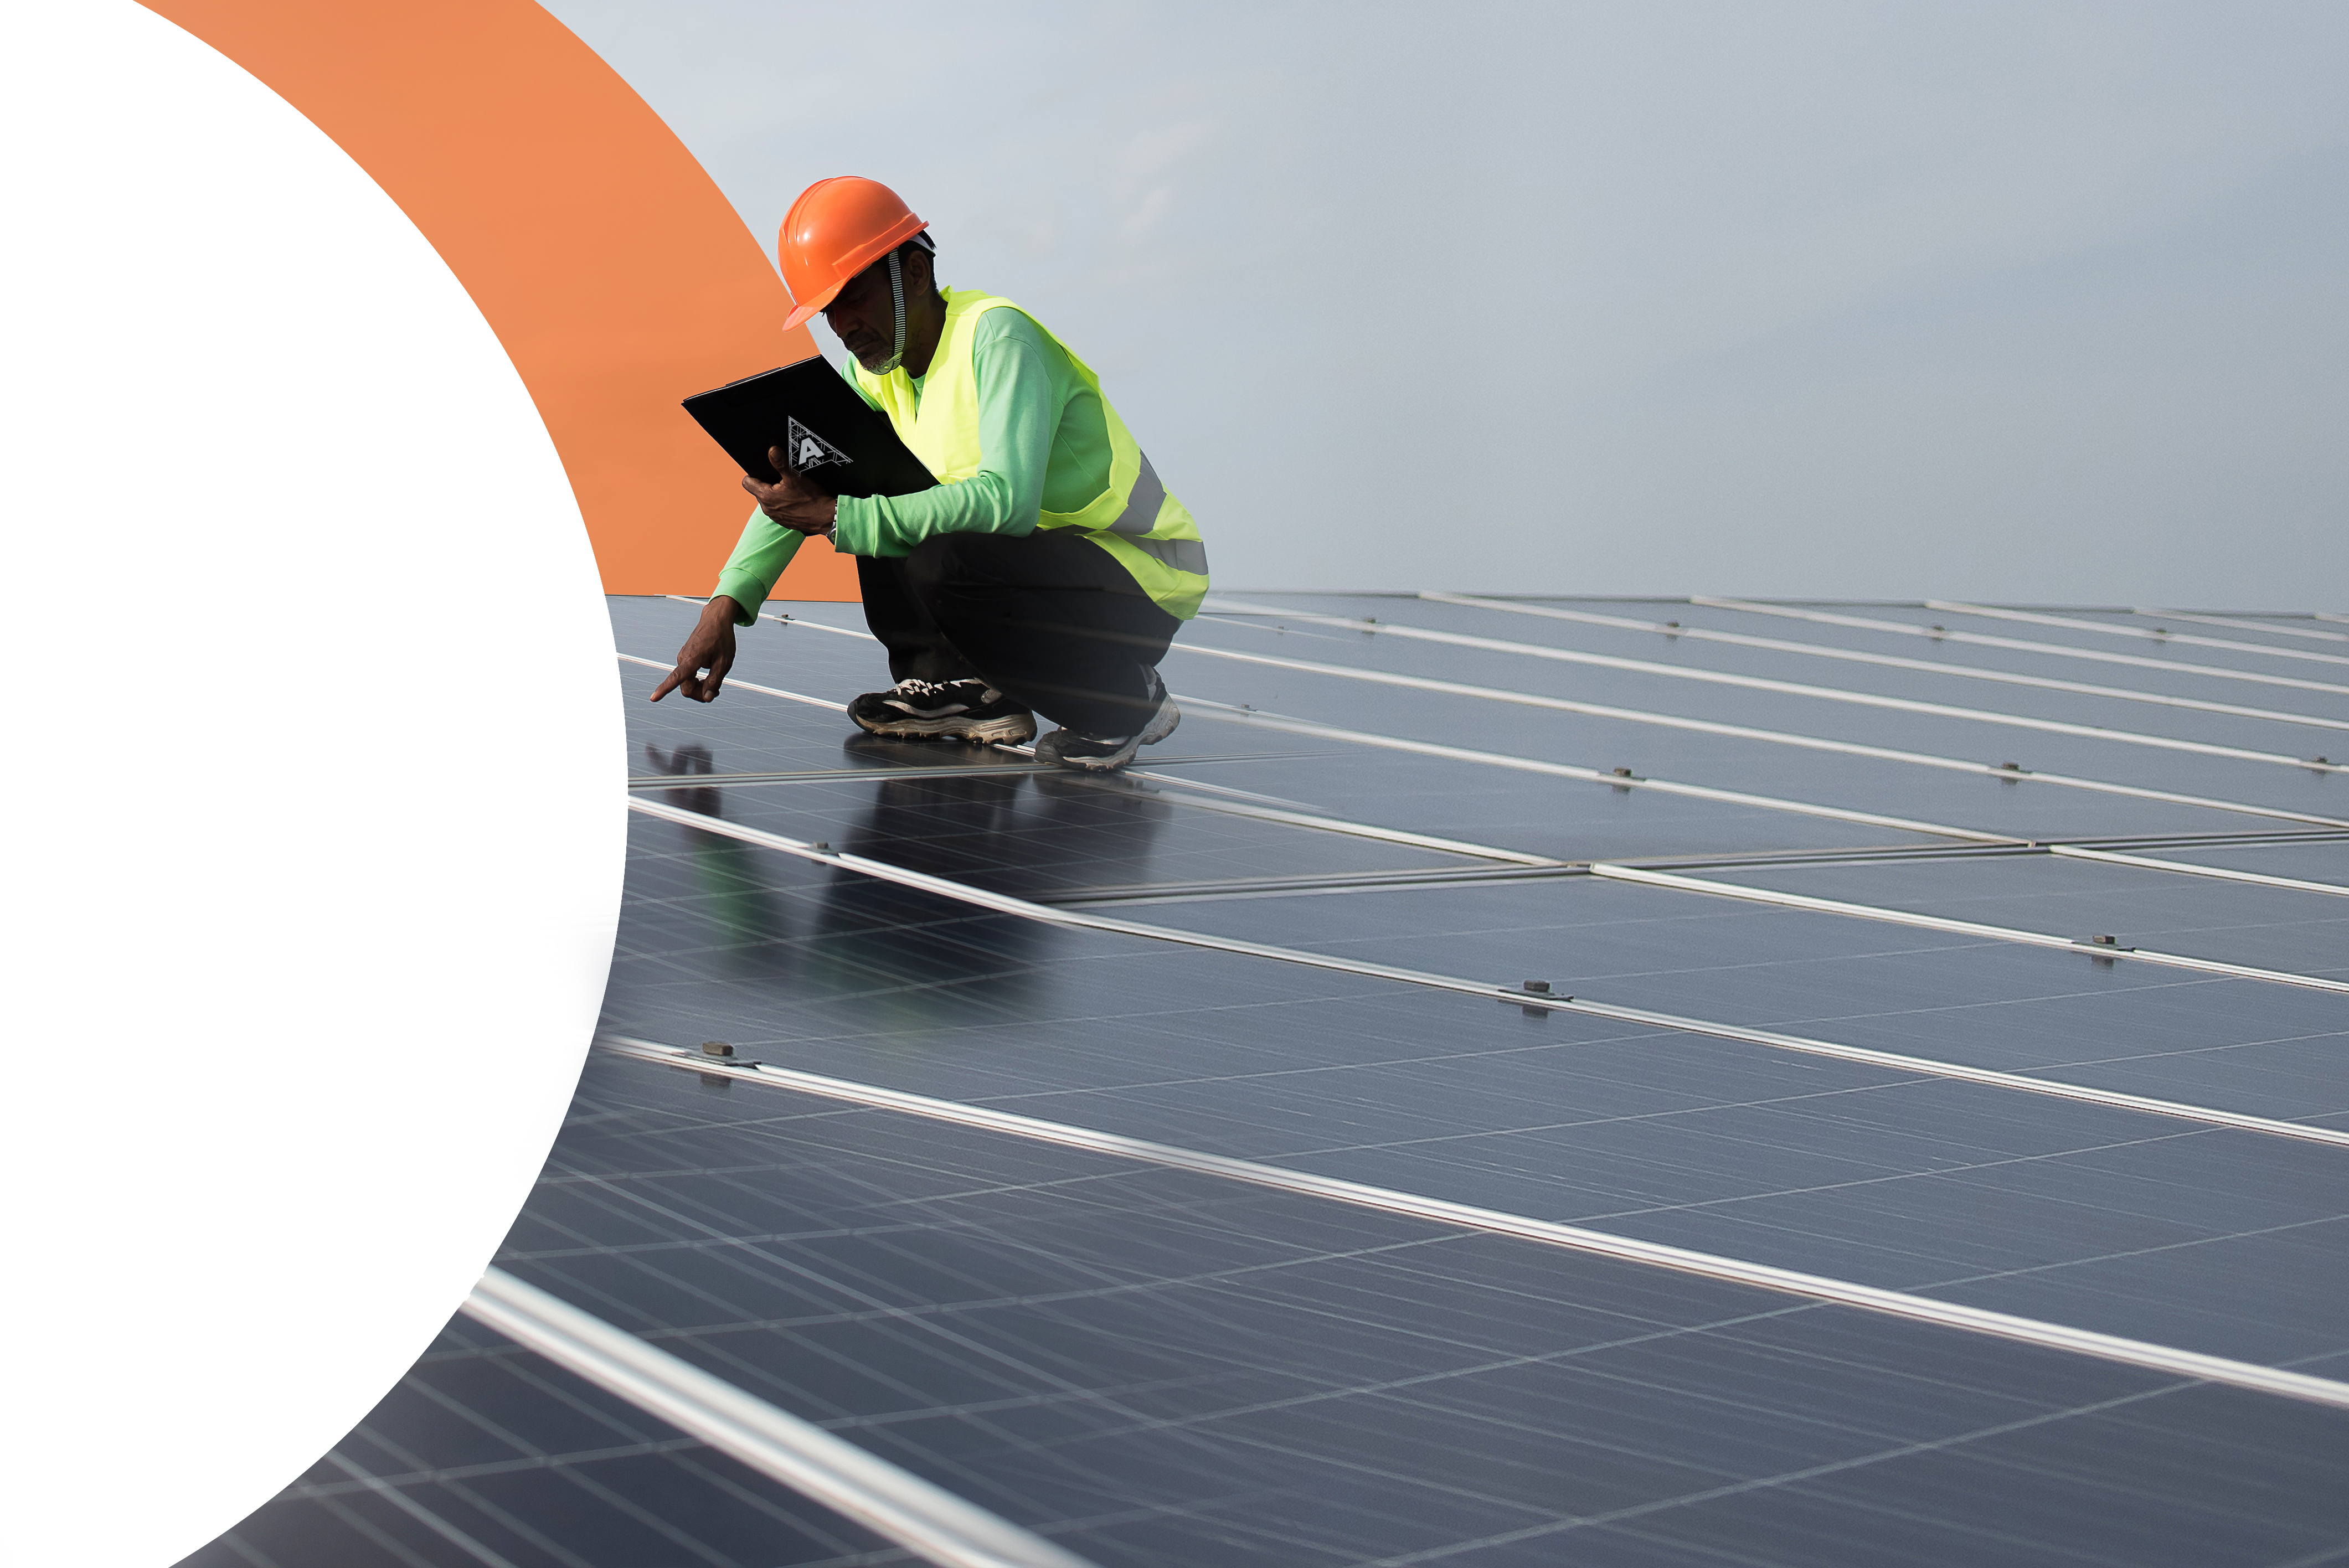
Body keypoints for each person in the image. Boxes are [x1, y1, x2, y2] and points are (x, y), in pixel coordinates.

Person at [651, 176, 1209, 772]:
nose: (841, 325)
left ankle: (1127, 703)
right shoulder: (878, 374)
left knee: (914, 539)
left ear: (914, 274)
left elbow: (1008, 503)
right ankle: (962, 686)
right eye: (828, 310)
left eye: (852, 297)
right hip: (1044, 574)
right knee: (860, 474)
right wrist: (726, 603)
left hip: (1138, 578)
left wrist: (843, 517)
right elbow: (806, 482)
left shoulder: (996, 338)